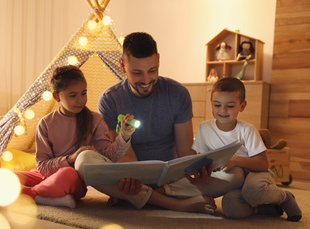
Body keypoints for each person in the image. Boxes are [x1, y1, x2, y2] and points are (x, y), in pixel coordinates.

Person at [96, 32, 244, 213]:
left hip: (174, 178)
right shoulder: (110, 100)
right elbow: (126, 158)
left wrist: (198, 171)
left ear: (158, 60)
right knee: (93, 173)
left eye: (152, 70)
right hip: (134, 176)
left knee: (236, 176)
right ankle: (163, 199)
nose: (146, 80)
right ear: (122, 65)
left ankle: (150, 197)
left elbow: (184, 151)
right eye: (137, 73)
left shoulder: (177, 94)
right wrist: (130, 179)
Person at [0, 65, 136, 209]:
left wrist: (124, 137)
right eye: (73, 95)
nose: (81, 100)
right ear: (56, 96)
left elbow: (109, 157)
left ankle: (32, 194)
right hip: (44, 177)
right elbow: (42, 167)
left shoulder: (95, 120)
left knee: (67, 174)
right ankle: (41, 196)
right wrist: (70, 158)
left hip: (72, 181)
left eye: (83, 93)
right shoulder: (46, 123)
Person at [190, 77, 302, 221]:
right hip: (232, 178)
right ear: (211, 103)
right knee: (231, 208)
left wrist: (236, 161)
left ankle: (285, 197)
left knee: (253, 191)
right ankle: (261, 209)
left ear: (242, 106)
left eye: (230, 106)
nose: (222, 110)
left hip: (254, 173)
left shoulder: (247, 129)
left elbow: (263, 164)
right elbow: (203, 159)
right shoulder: (204, 128)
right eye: (217, 104)